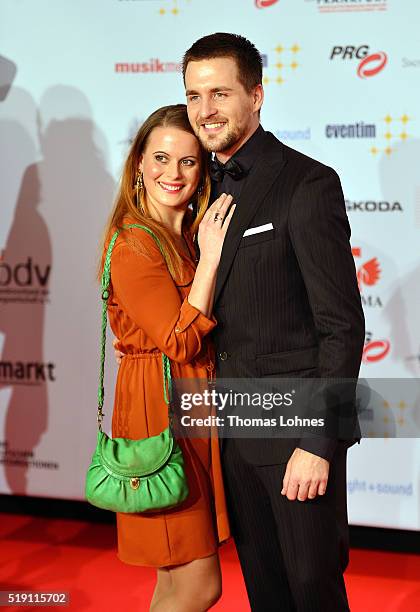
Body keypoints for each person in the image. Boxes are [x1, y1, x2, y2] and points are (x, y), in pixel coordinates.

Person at [180, 33, 365, 611]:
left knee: (313, 593)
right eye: (193, 95)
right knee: (265, 594)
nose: (204, 111)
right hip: (230, 438)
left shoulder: (307, 183)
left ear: (256, 96)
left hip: (296, 440)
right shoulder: (197, 188)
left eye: (220, 94)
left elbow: (342, 327)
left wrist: (320, 441)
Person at [101, 103, 234, 611]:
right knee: (200, 585)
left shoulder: (185, 237)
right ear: (138, 163)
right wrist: (213, 258)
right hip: (160, 410)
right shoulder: (135, 242)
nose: (171, 173)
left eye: (187, 161)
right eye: (160, 158)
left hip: (192, 404)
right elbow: (178, 341)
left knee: (176, 581)